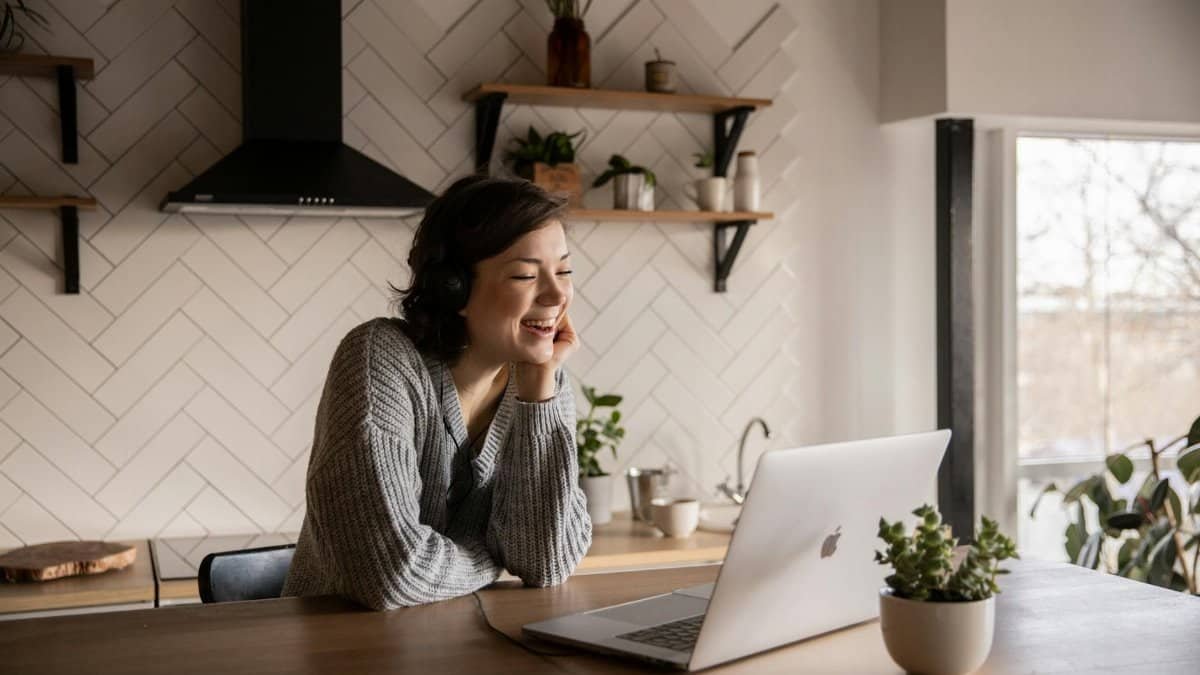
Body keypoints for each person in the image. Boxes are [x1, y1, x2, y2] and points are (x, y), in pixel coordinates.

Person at [281, 175, 592, 609]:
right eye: (525, 275)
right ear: (454, 288)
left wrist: (539, 397)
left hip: (460, 647)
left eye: (564, 270)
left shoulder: (543, 383)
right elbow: (390, 573)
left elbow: (545, 563)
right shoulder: (380, 359)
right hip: (340, 651)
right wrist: (490, 555)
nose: (557, 294)